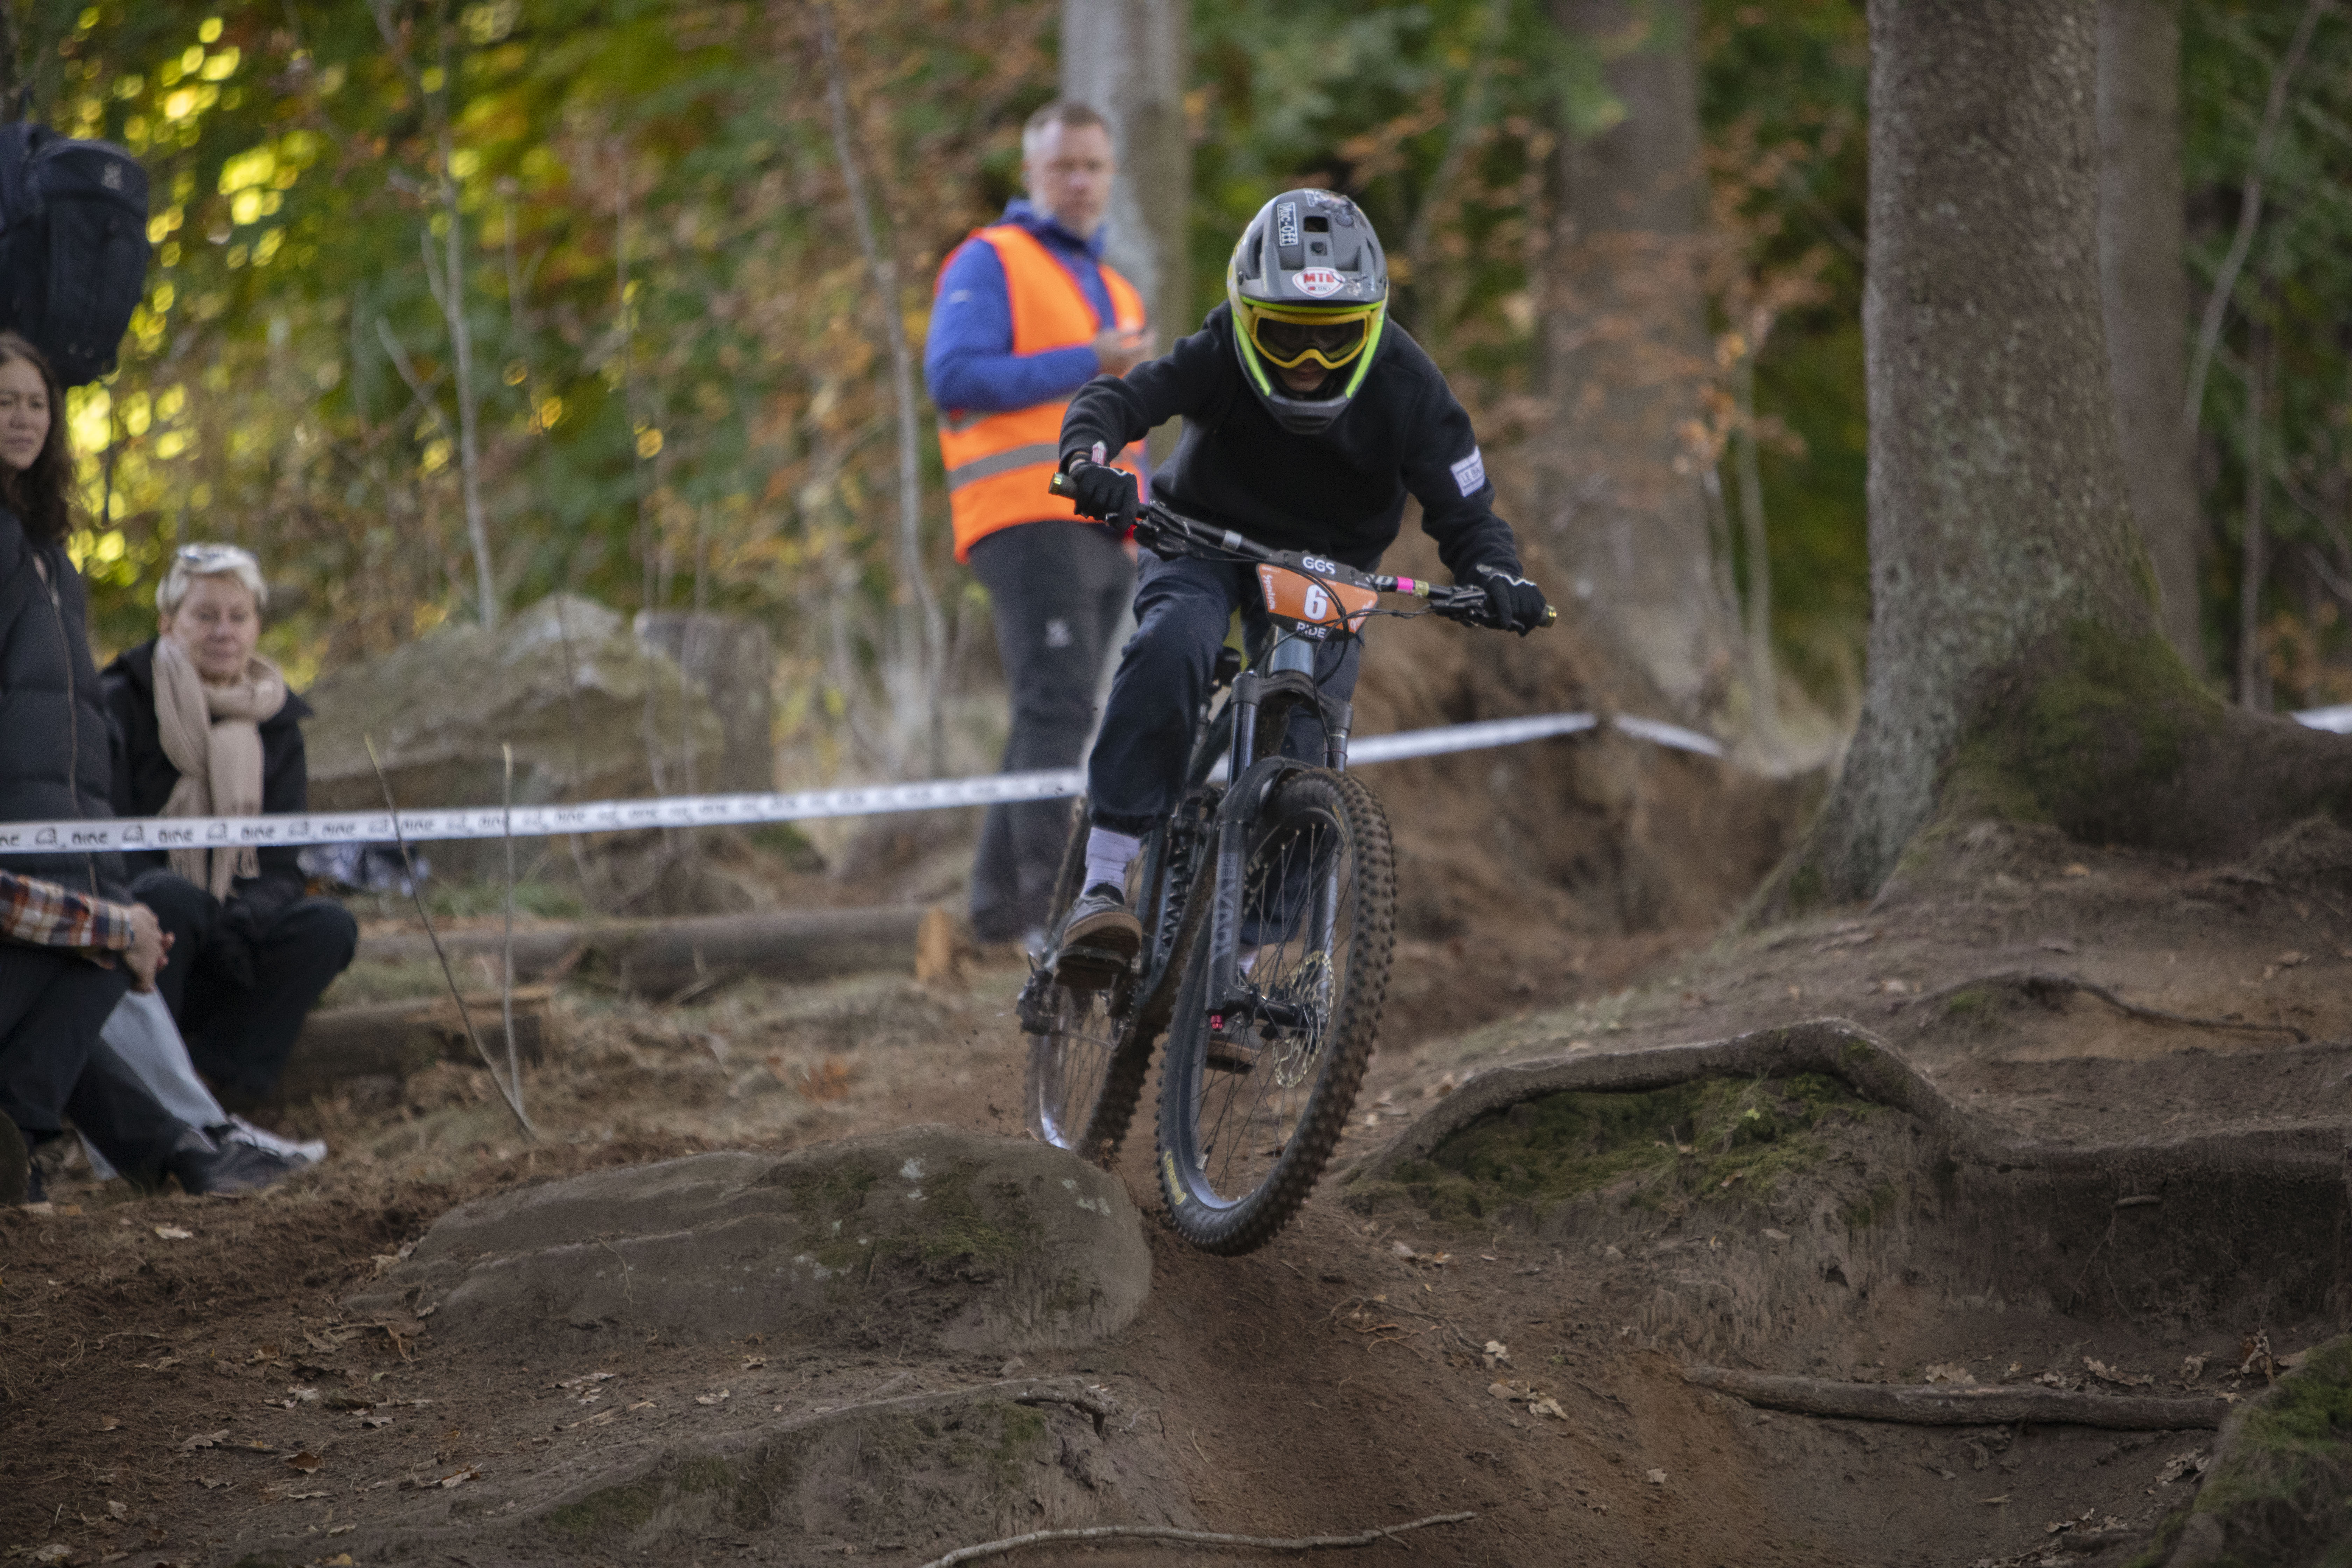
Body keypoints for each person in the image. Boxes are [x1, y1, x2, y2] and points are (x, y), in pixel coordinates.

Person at [1051, 189, 1551, 967]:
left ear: (1372, 325)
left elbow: (1469, 514)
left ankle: (1242, 958)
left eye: (1335, 337)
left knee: (1314, 733)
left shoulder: (1411, 386)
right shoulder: (1220, 349)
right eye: (1285, 335)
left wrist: (1497, 575)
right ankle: (1106, 878)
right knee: (1176, 640)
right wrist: (1089, 460)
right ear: (1248, 318)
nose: (1311, 363)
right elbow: (1120, 399)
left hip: (1329, 566)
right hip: (1201, 538)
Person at [0, 332, 297, 1202]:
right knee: (102, 946)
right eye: (3, 401)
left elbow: (66, 713)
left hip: (67, 823)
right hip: (14, 825)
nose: (22, 418)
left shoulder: (53, 557)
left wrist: (96, 853)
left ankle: (87, 1144)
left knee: (115, 948)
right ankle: (70, 1140)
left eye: (36, 403)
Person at [926, 99, 1154, 951]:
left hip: (1106, 530)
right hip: (1025, 516)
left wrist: (1148, 516)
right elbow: (953, 375)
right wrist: (1089, 359)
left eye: (1093, 166)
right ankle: (1049, 912)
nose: (1080, 181)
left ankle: (997, 911)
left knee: (1053, 711)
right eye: (1064, 166)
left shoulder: (1118, 288)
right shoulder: (991, 259)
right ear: (1032, 173)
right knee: (1055, 707)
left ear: (1111, 174)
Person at [103, 542, 357, 1110]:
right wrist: (194, 908)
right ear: (168, 623)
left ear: (256, 627)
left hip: (236, 933)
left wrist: (237, 920)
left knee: (328, 926)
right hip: (146, 930)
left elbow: (281, 862)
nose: (224, 632)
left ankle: (214, 1085)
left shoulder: (279, 724)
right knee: (169, 897)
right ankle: (143, 1089)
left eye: (238, 617)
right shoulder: (118, 702)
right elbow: (107, 843)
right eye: (205, 615)